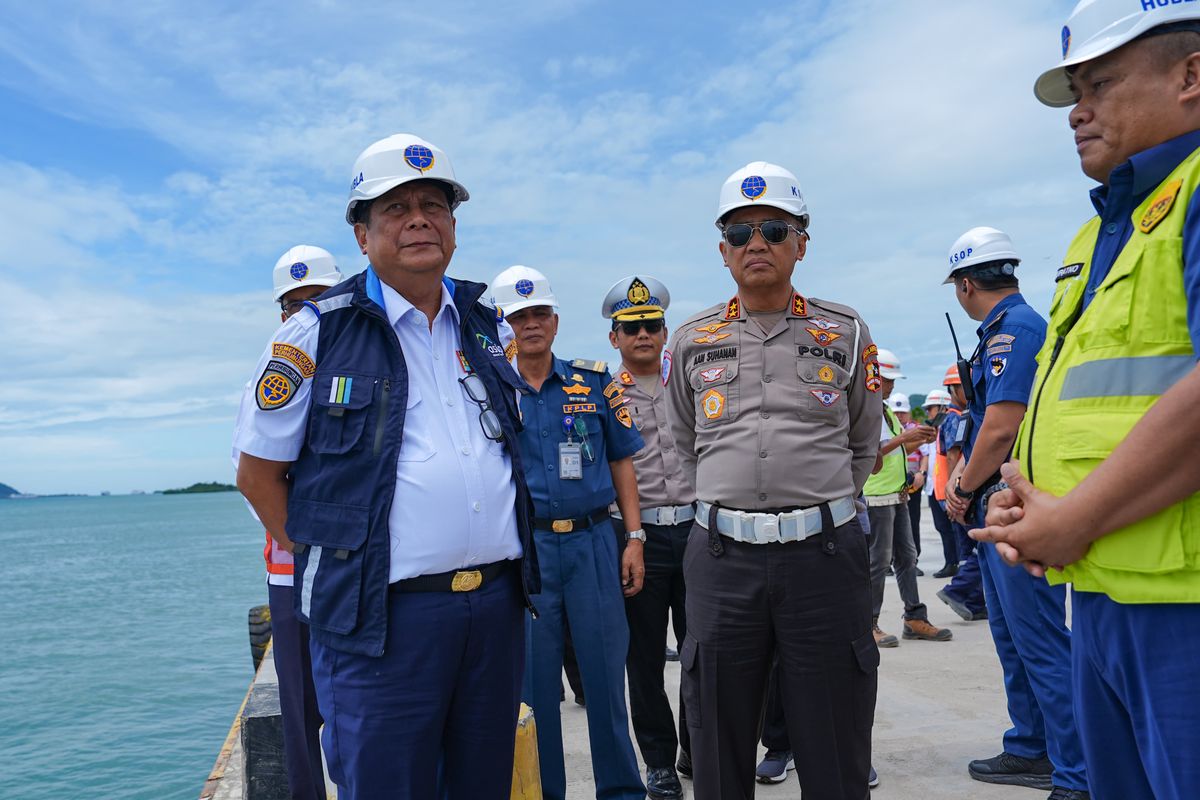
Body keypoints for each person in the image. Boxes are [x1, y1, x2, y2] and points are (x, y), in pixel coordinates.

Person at [234, 134, 536, 800]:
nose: (419, 218)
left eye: (434, 203)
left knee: (483, 786)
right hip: (380, 624)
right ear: (362, 233)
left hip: (494, 611)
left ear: (453, 225)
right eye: (395, 208)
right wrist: (340, 559)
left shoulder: (487, 327)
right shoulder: (315, 333)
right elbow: (258, 474)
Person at [974, 4, 1200, 797]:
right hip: (1104, 585)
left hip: (1181, 600)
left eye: (1100, 82)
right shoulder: (1104, 230)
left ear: (1191, 76)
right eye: (1075, 88)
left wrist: (1072, 517)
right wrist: (1024, 500)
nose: (1078, 109)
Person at [665, 160, 882, 798]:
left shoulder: (845, 331)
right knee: (717, 735)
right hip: (723, 557)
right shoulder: (691, 338)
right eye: (739, 232)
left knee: (834, 733)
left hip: (823, 555)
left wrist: (811, 503)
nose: (755, 243)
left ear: (801, 243)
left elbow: (863, 441)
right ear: (723, 251)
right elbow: (685, 442)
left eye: (772, 229)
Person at [941, 227, 1088, 800]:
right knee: (1013, 639)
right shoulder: (1004, 330)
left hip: (1016, 506)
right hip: (999, 507)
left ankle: (1074, 770)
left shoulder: (1015, 330)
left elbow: (1001, 425)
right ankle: (1031, 746)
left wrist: (960, 485)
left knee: (1042, 641)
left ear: (966, 283)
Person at [491, 265, 647, 800]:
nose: (530, 324)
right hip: (527, 552)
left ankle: (623, 792)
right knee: (535, 690)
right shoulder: (489, 390)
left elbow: (623, 462)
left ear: (555, 321)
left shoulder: (596, 381)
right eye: (519, 316)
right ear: (503, 325)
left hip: (592, 544)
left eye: (539, 314)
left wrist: (634, 538)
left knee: (606, 679)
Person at [232, 245, 343, 800]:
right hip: (294, 565)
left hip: (357, 563)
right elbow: (251, 472)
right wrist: (293, 543)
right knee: (301, 708)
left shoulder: (365, 360)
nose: (305, 314)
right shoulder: (278, 366)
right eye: (293, 305)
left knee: (356, 702)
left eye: (317, 300)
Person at [600, 274, 694, 800]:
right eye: (631, 327)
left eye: (652, 325)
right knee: (645, 659)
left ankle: (693, 748)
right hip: (638, 538)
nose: (643, 335)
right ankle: (657, 761)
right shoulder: (601, 395)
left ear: (664, 331)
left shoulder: (691, 381)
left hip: (699, 529)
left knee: (702, 651)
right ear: (614, 337)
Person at [864, 349, 949, 647]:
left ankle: (914, 616)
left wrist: (916, 440)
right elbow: (870, 454)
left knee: (907, 558)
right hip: (877, 496)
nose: (891, 386)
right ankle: (868, 624)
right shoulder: (866, 411)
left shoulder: (885, 411)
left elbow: (895, 451)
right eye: (888, 380)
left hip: (896, 495)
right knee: (878, 561)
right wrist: (904, 439)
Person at [936, 366, 987, 618]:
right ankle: (958, 591)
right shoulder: (956, 417)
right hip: (958, 494)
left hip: (954, 494)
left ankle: (973, 602)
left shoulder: (961, 414)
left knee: (970, 551)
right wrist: (956, 495)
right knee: (980, 548)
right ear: (953, 389)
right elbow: (955, 457)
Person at [922, 389, 958, 579]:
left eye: (931, 408)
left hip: (946, 489)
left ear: (943, 407)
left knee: (952, 529)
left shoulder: (952, 425)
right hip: (934, 488)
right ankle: (950, 562)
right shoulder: (933, 431)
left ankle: (955, 563)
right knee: (942, 528)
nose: (928, 413)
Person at [889, 393, 927, 569]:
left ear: (909, 413)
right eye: (896, 412)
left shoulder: (916, 430)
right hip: (890, 485)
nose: (899, 416)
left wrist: (921, 472)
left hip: (912, 483)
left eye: (902, 412)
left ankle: (914, 560)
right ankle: (889, 560)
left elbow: (925, 455)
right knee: (888, 525)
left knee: (912, 521)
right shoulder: (886, 430)